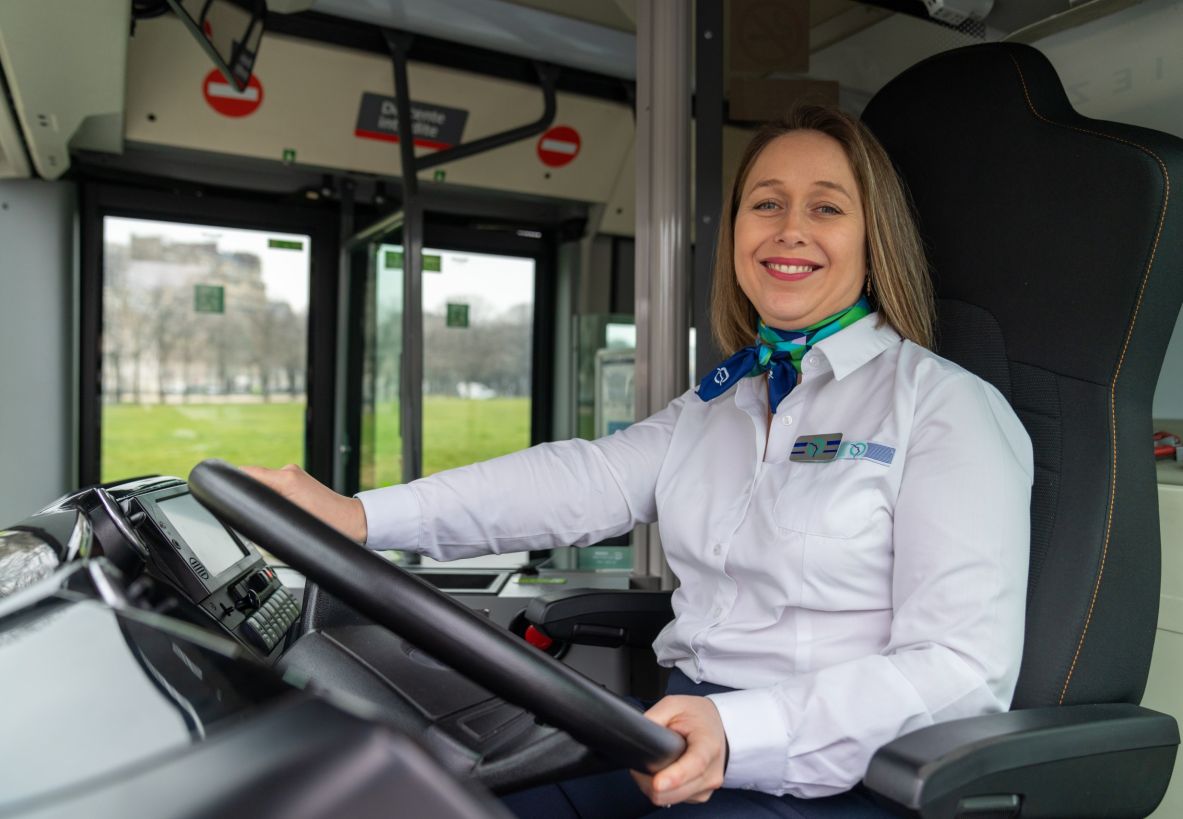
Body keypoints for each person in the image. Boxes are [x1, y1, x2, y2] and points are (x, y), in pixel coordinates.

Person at [243, 104, 1033, 818]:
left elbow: (960, 669)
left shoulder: (946, 409)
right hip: (669, 741)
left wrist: (738, 728)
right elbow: (576, 480)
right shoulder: (722, 403)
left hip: (832, 776)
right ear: (735, 236)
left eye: (825, 207)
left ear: (873, 238)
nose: (789, 229)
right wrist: (360, 515)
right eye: (765, 204)